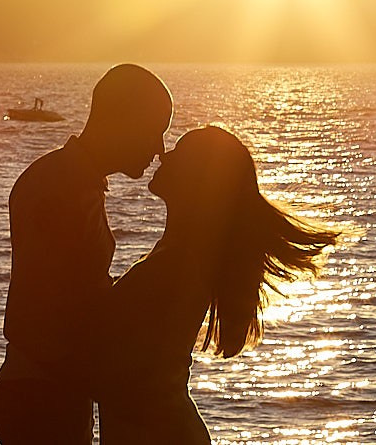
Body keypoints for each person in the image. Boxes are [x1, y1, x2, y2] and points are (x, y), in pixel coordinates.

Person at [95, 126, 339, 444]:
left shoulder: (176, 265)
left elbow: (120, 366)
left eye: (179, 153)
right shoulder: (178, 255)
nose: (163, 155)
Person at [0, 64, 173, 445]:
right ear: (124, 120)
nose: (159, 149)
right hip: (42, 395)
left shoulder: (67, 180)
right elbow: (57, 310)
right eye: (156, 132)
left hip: (46, 389)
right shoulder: (65, 188)